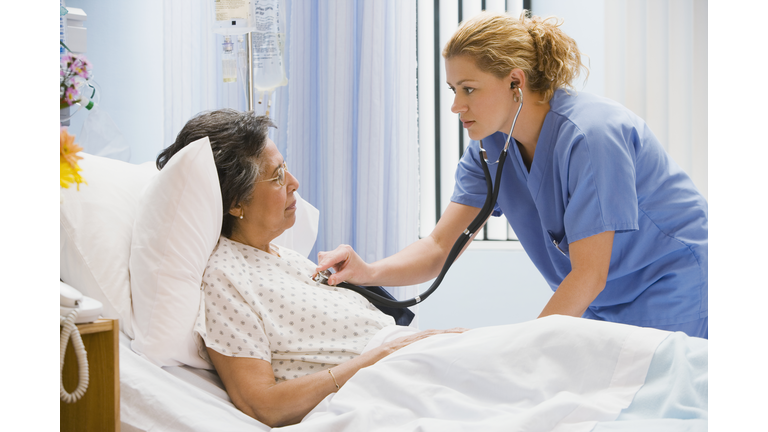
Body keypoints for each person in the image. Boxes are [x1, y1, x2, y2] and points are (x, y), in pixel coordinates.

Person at [316, 11, 708, 339]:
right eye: (453, 89)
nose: (455, 106)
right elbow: (439, 247)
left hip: (673, 285)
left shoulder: (593, 136)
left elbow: (589, 275)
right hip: (599, 300)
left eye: (469, 89)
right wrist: (369, 271)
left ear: (515, 82)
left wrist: (522, 353)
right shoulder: (490, 148)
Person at [156, 109, 466, 427]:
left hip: (410, 360)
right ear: (236, 202)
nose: (294, 183)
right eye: (277, 176)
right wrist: (379, 357)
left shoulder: (284, 257)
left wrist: (401, 336)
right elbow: (263, 404)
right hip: (387, 379)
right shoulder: (226, 277)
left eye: (286, 169)